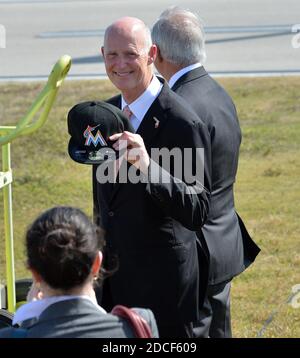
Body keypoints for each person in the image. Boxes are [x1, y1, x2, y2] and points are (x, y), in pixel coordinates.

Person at [92, 17, 212, 338]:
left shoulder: (181, 121)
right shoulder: (103, 116)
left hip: (163, 291)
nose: (120, 64)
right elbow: (104, 205)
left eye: (130, 54)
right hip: (112, 286)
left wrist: (149, 167)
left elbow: (198, 209)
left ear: (151, 53)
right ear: (102, 54)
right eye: (112, 55)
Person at [152, 6, 261, 338]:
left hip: (196, 251)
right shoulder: (217, 92)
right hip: (224, 239)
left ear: (157, 55)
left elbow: (177, 190)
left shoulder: (178, 107)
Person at [0, 207, 158, 338]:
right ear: (97, 263)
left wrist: (29, 319)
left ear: (35, 274)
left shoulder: (11, 335)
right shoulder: (137, 325)